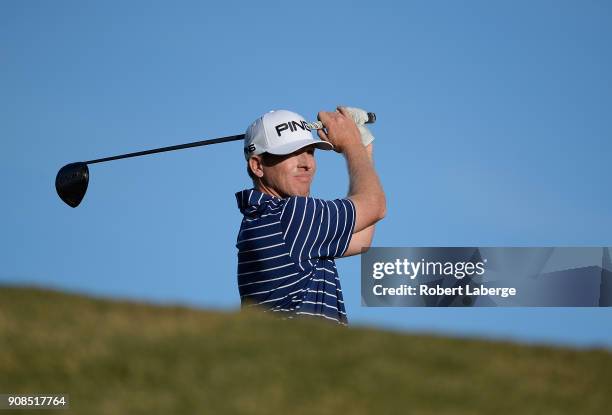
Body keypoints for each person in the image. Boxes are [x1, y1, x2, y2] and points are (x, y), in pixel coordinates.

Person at [235, 107, 386, 324]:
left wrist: (363, 149)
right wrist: (351, 144)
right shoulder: (292, 216)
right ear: (258, 166)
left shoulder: (261, 218)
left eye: (310, 152)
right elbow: (375, 205)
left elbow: (361, 237)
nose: (307, 163)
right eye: (290, 153)